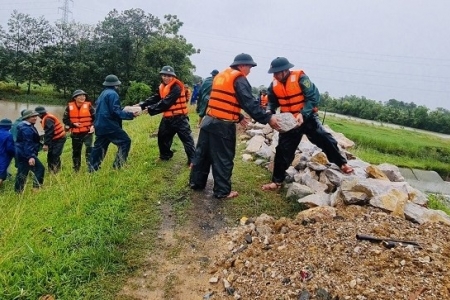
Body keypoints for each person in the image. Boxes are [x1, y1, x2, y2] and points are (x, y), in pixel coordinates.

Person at [189, 53, 280, 199]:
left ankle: (196, 183)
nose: (249, 71)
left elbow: (222, 100)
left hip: (208, 121)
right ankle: (222, 191)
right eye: (249, 67)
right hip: (223, 127)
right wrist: (268, 118)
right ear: (242, 65)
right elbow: (249, 102)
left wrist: (238, 116)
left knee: (202, 155)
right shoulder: (239, 78)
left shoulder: (221, 76)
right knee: (223, 158)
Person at [261, 57, 353, 191]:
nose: (274, 75)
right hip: (289, 122)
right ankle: (277, 181)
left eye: (277, 72)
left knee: (324, 138)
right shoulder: (274, 84)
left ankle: (342, 163)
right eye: (273, 73)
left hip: (307, 117)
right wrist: (270, 111)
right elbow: (272, 102)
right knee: (282, 150)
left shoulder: (301, 78)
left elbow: (313, 97)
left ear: (285, 70)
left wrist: (303, 114)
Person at [139, 66, 196, 166]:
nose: (166, 78)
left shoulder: (176, 87)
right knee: (162, 137)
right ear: (161, 76)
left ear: (173, 76)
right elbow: (155, 98)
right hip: (167, 118)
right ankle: (165, 156)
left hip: (180, 118)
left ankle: (193, 161)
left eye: (169, 76)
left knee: (187, 139)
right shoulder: (162, 87)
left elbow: (166, 102)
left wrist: (150, 109)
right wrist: (142, 105)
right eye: (164, 75)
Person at [89, 74, 139, 172]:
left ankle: (92, 169)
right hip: (109, 125)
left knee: (99, 147)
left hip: (99, 125)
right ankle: (118, 166)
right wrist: (130, 115)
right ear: (116, 85)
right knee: (125, 142)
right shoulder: (113, 94)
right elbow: (115, 111)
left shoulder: (102, 94)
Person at [63, 89, 95, 172]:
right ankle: (76, 169)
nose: (82, 97)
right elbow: (65, 120)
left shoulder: (89, 106)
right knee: (76, 152)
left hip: (88, 132)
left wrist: (93, 126)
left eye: (84, 96)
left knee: (89, 150)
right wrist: (73, 124)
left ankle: (90, 168)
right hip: (76, 134)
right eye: (80, 96)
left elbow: (96, 118)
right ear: (75, 98)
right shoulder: (69, 107)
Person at [14, 110, 45, 193]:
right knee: (40, 169)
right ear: (27, 118)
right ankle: (36, 189)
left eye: (36, 116)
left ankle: (18, 192)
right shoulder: (26, 128)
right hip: (25, 154)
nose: (35, 118)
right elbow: (28, 143)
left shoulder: (26, 125)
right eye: (33, 116)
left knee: (22, 172)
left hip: (21, 153)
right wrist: (31, 156)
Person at [35, 106, 67, 174]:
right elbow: (44, 132)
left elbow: (49, 132)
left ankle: (56, 171)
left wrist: (46, 144)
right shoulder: (43, 118)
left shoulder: (48, 119)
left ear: (39, 114)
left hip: (59, 138)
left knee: (55, 154)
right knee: (50, 155)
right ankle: (51, 170)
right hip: (54, 139)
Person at [0, 119, 15, 187]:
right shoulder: (8, 135)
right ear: (9, 126)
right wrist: (15, 154)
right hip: (4, 156)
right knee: (1, 174)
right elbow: (10, 148)